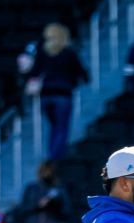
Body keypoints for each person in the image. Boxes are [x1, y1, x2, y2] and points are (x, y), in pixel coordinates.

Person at [25, 23, 89, 160]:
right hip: (63, 95)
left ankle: (53, 154)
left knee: (54, 126)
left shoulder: (43, 53)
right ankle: (55, 158)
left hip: (46, 95)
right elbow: (81, 72)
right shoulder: (69, 53)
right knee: (61, 127)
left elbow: (34, 72)